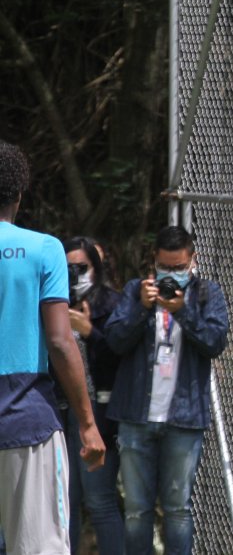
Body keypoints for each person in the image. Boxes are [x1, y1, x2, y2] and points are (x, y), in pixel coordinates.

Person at [0, 140, 105, 555]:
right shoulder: (44, 249)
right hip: (28, 419)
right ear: (20, 194)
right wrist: (87, 422)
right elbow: (61, 341)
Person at [106, 225, 229, 555]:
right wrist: (141, 309)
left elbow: (215, 343)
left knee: (177, 510)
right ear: (154, 262)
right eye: (165, 266)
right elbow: (114, 341)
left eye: (178, 267)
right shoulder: (136, 292)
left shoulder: (206, 294)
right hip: (135, 416)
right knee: (136, 511)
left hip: (184, 419)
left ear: (193, 261)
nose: (171, 274)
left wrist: (183, 312)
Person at [58, 236, 125, 555]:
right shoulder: (51, 303)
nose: (75, 275)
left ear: (96, 269)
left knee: (99, 500)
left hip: (97, 412)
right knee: (63, 502)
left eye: (81, 268)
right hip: (59, 410)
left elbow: (121, 355)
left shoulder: (111, 303)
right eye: (67, 268)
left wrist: (88, 331)